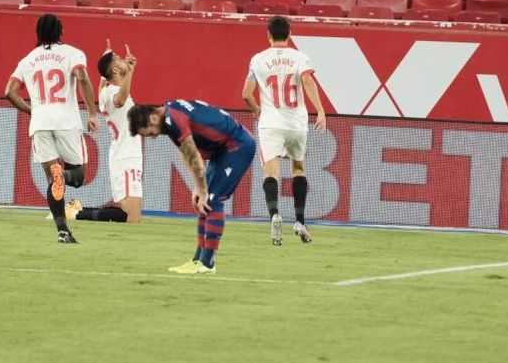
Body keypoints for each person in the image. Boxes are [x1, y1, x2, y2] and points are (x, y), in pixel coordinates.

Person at [128, 100, 256, 274]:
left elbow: (195, 158)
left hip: (237, 145)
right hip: (223, 149)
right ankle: (198, 259)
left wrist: (203, 191)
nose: (154, 136)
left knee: (211, 200)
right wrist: (197, 188)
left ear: (152, 117)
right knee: (202, 201)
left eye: (150, 133)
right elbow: (184, 152)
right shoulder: (168, 117)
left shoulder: (173, 119)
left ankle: (207, 263)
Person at [5, 14, 99, 243]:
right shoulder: (72, 53)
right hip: (66, 121)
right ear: (61, 32)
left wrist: (31, 111)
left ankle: (62, 231)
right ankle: (64, 174)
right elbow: (82, 76)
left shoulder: (28, 60)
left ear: (37, 33)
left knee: (53, 182)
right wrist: (92, 112)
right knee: (77, 177)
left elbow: (9, 91)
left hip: (40, 123)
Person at [242, 16, 326, 245]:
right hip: (296, 123)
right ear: (289, 35)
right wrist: (320, 109)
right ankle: (299, 220)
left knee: (271, 172)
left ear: (268, 35)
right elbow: (308, 81)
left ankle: (274, 214)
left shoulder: (258, 60)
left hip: (270, 123)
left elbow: (246, 94)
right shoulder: (299, 57)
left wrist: (258, 110)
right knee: (298, 168)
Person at [68, 39, 143, 223]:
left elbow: (105, 82)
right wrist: (130, 72)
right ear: (116, 71)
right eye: (118, 59)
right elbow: (120, 100)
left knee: (131, 216)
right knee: (132, 218)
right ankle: (76, 213)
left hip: (125, 155)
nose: (123, 60)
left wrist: (106, 61)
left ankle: (77, 210)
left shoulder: (104, 92)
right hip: (126, 157)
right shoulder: (112, 93)